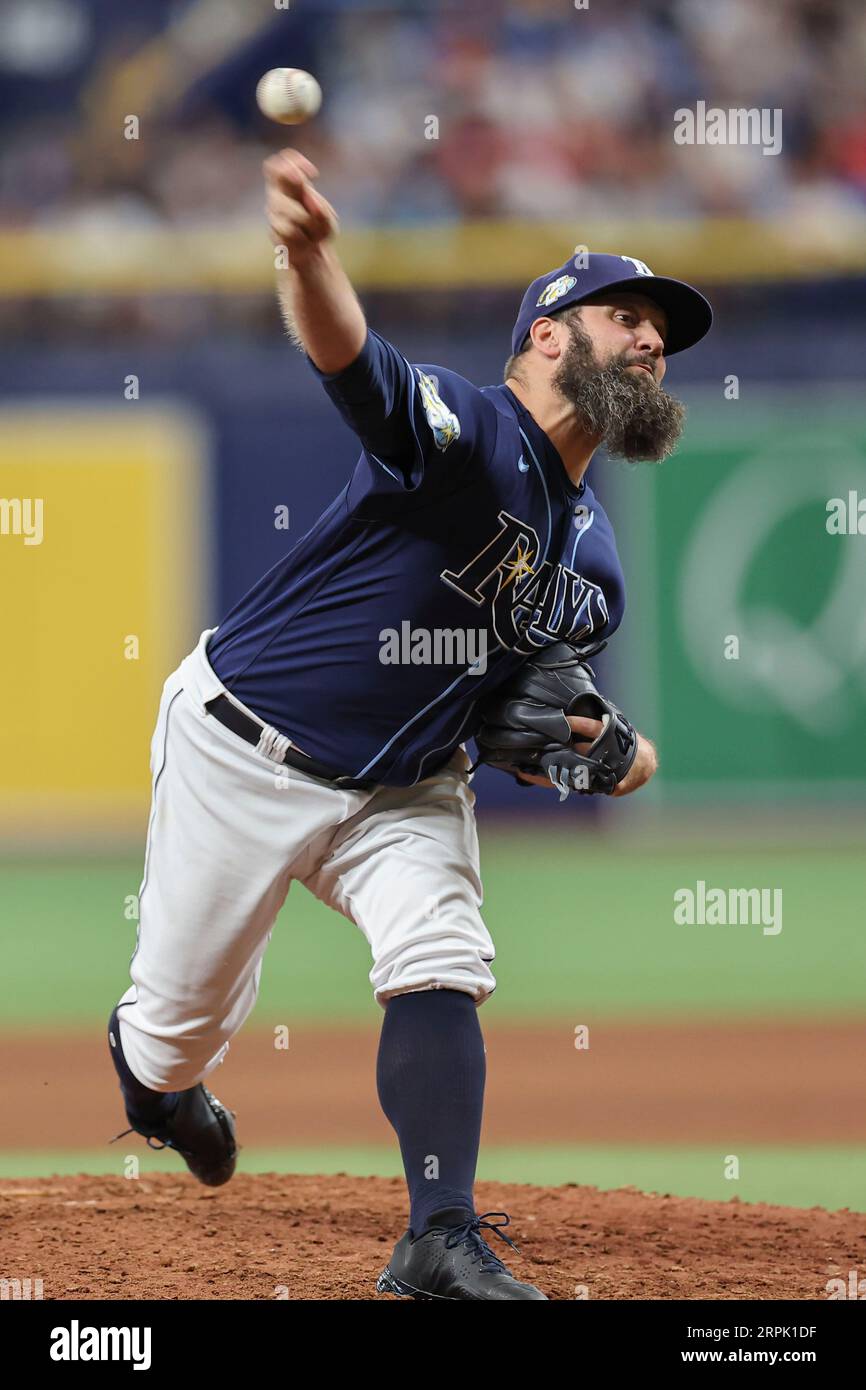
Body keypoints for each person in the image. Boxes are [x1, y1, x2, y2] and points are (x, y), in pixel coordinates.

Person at [108, 148, 712, 1302]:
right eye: (623, 317)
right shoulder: (466, 432)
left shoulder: (591, 563)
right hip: (244, 747)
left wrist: (611, 755)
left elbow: (537, 720)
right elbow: (353, 363)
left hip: (404, 784)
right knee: (168, 1040)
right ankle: (156, 1086)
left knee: (441, 951)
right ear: (545, 337)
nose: (650, 341)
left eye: (661, 330)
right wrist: (307, 251)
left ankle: (436, 1236)